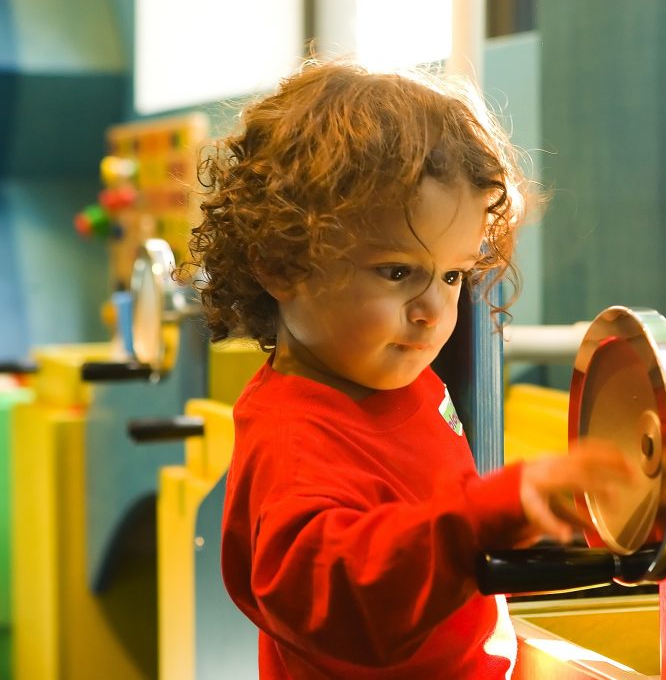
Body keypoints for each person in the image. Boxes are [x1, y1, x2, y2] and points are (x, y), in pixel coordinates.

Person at [185, 60, 625, 679]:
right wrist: (484, 520)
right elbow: (350, 603)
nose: (433, 311)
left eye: (451, 275)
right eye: (397, 272)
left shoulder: (406, 381)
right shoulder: (295, 440)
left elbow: (435, 557)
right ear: (281, 265)